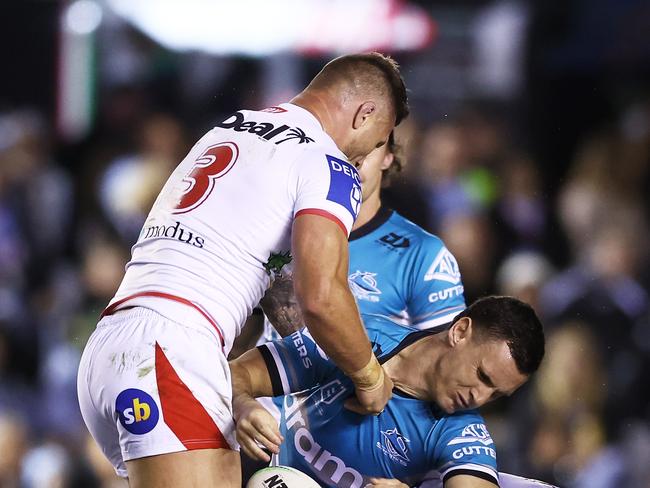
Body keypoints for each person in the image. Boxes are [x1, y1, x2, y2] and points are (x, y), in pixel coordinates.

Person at [77, 52, 408, 487]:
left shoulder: (227, 129)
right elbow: (322, 297)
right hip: (173, 352)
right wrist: (369, 375)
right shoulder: (329, 165)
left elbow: (272, 290)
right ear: (366, 113)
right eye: (377, 140)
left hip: (112, 346)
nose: (364, 160)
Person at [230, 296, 546, 487]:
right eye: (482, 376)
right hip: (257, 469)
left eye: (496, 395)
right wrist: (243, 405)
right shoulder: (361, 338)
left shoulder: (462, 432)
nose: (479, 398)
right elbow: (238, 374)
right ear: (460, 331)